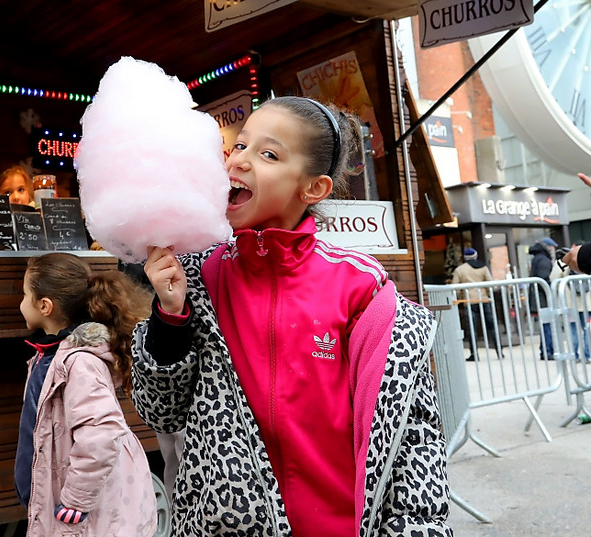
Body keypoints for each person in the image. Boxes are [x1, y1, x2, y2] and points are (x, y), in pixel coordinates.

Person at [132, 95, 451, 537]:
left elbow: (413, 435)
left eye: (268, 154)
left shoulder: (358, 286)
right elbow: (161, 413)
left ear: (313, 188)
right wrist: (169, 315)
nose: (239, 161)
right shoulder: (199, 278)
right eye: (239, 146)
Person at [14, 252, 157, 537]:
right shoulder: (50, 356)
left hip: (88, 514)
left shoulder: (79, 362)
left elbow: (102, 434)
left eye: (24, 294)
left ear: (44, 306)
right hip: (61, 501)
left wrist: (76, 500)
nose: (20, 303)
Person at [452, 247, 502, 361]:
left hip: (469, 301)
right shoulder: (483, 267)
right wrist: (489, 295)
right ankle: (499, 351)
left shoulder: (460, 270)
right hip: (483, 299)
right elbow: (490, 283)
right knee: (492, 326)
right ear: (475, 256)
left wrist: (461, 298)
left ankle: (474, 354)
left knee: (471, 329)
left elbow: (455, 287)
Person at [529, 237, 557, 359]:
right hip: (543, 299)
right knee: (547, 325)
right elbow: (544, 279)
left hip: (538, 298)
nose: (553, 250)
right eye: (552, 247)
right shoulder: (544, 260)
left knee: (545, 325)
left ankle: (545, 350)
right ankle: (547, 351)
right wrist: (551, 293)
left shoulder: (537, 258)